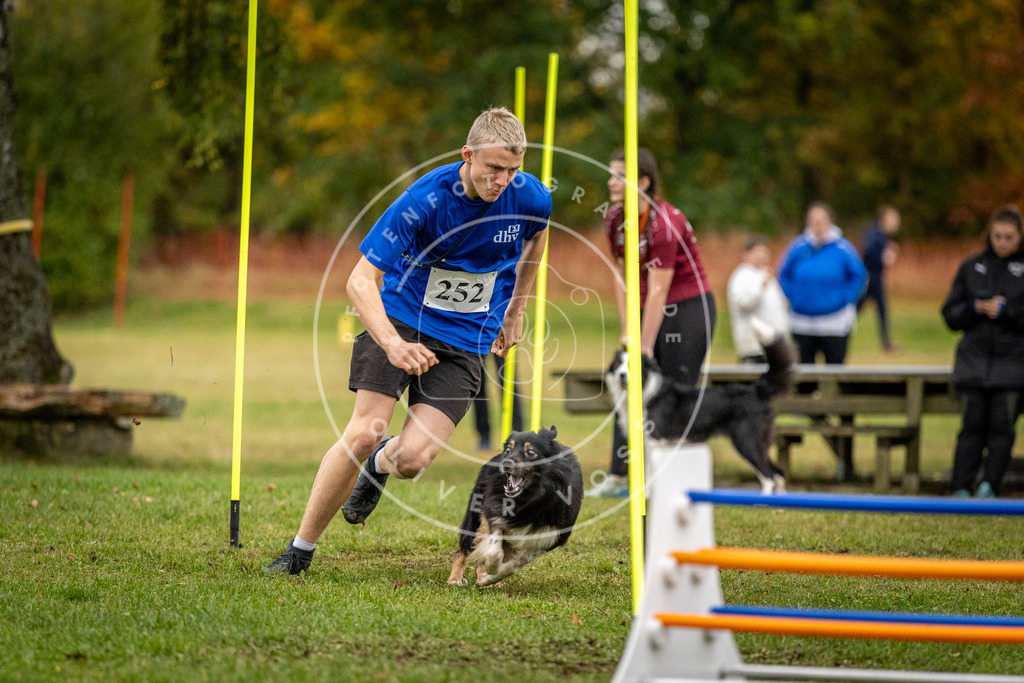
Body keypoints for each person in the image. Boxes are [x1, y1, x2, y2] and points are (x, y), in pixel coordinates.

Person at [263, 108, 552, 574]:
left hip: (466, 337)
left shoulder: (532, 199)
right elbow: (360, 281)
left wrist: (517, 308)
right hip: (399, 319)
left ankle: (379, 466)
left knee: (415, 459)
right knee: (363, 432)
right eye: (492, 169)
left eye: (512, 170)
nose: (502, 180)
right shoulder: (424, 201)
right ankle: (300, 550)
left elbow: (538, 239)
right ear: (468, 155)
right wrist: (393, 344)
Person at [585, 147, 715, 498]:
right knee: (626, 380)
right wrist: (629, 332)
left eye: (619, 175)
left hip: (687, 307)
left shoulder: (663, 224)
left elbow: (660, 291)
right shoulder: (615, 218)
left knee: (671, 389)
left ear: (642, 181)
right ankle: (619, 476)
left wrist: (644, 346)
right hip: (647, 304)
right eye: (610, 173)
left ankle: (672, 479)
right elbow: (620, 274)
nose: (610, 181)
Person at [942, 204, 1024, 498]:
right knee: (971, 428)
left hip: (1012, 367)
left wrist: (1008, 311)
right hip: (973, 365)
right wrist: (974, 308)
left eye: (1008, 237)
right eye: (997, 236)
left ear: (1019, 237)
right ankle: (960, 487)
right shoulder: (972, 267)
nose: (1002, 242)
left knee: (1001, 429)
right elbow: (950, 314)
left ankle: (990, 485)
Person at [778, 201, 866, 365]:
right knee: (803, 370)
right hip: (802, 320)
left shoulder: (843, 248)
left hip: (835, 320)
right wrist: (794, 296)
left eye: (821, 221)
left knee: (834, 367)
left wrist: (844, 298)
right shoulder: (798, 246)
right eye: (813, 221)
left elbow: (858, 276)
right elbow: (783, 273)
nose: (818, 225)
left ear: (829, 222)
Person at [726, 234, 790, 363]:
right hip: (753, 346)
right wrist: (760, 288)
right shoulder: (740, 275)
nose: (762, 256)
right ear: (746, 254)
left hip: (773, 343)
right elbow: (744, 303)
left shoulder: (766, 274)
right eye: (757, 252)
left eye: (764, 252)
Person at [858, 205, 902, 354]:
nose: (896, 222)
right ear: (885, 219)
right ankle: (839, 333)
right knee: (856, 310)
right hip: (870, 279)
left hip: (874, 279)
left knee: (881, 310)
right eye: (894, 219)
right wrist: (885, 255)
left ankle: (886, 344)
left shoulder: (880, 235)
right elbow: (868, 252)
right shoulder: (875, 234)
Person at [471, 353, 523, 452]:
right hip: (477, 338)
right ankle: (483, 435)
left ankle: (518, 433)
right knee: (477, 382)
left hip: (503, 338)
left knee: (508, 382)